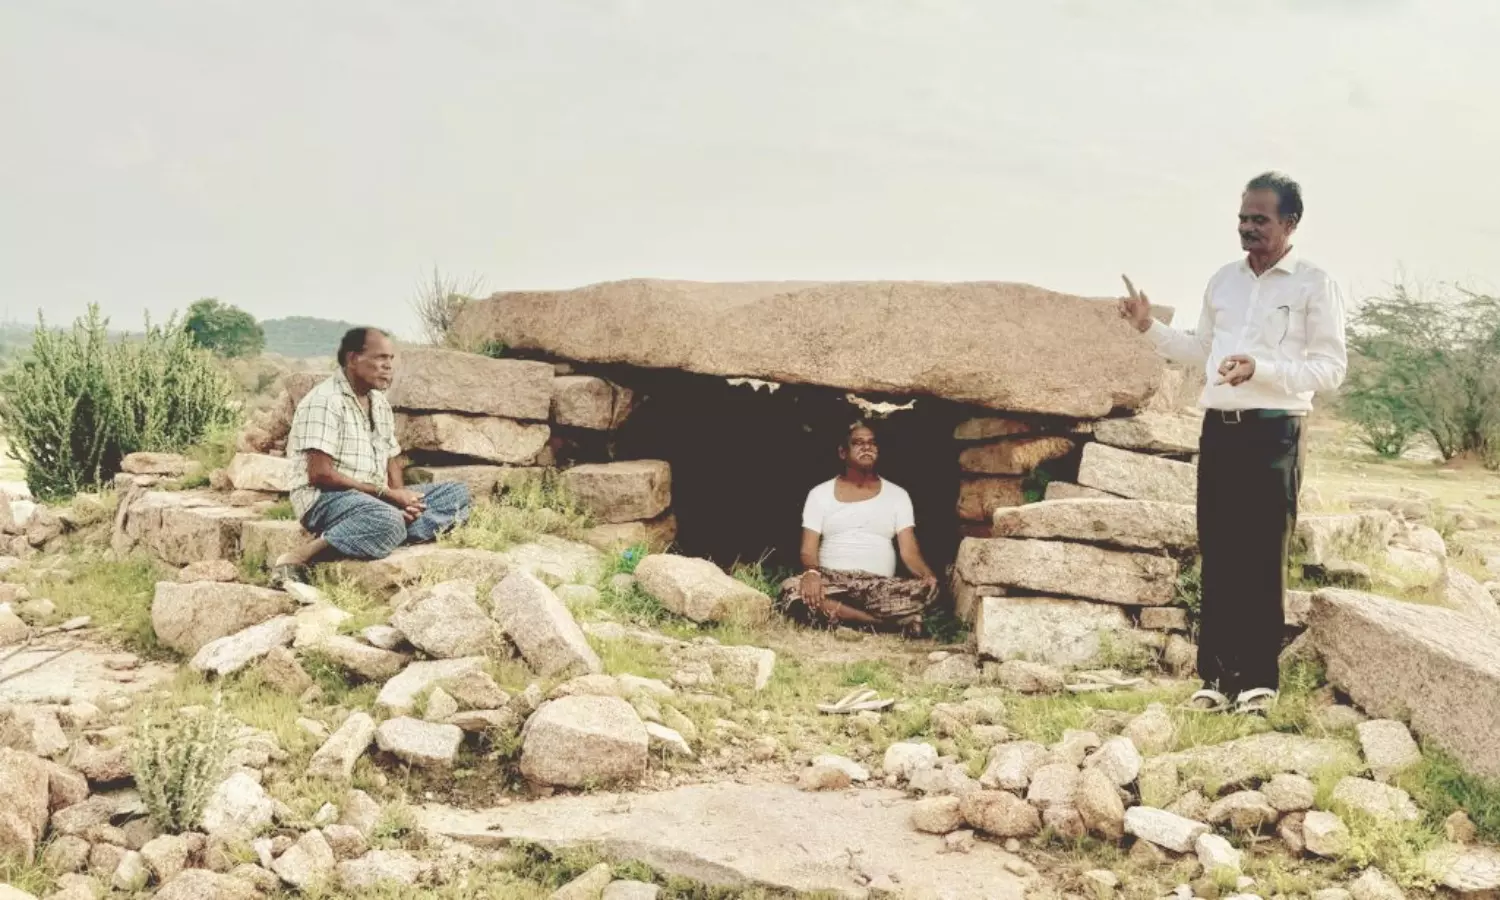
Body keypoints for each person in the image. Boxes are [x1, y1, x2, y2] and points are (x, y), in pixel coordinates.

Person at [1119, 171, 1347, 715]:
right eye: (1243, 218)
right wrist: (1149, 327)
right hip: (1219, 432)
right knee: (1218, 553)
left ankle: (1258, 680)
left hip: (1275, 432)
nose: (1247, 227)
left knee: (1262, 557)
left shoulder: (1314, 284)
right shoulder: (1223, 280)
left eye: (1259, 219)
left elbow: (1330, 368)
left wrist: (1261, 369)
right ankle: (1215, 678)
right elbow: (1200, 350)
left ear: (1290, 223)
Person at [269, 327, 472, 585]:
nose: (388, 366)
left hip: (375, 499)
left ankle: (378, 528)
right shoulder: (324, 401)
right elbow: (319, 474)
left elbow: (391, 458)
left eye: (391, 359)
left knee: (457, 494)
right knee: (387, 521)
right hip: (326, 499)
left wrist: (403, 502)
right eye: (380, 358)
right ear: (353, 359)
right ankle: (302, 555)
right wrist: (388, 497)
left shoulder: (379, 403)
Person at [778, 422, 940, 634]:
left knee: (924, 591)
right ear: (842, 452)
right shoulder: (819, 494)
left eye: (872, 443)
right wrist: (811, 573)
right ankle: (884, 625)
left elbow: (909, 551)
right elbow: (808, 549)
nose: (867, 447)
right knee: (791, 590)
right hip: (833, 582)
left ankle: (847, 617)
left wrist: (927, 576)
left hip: (879, 587)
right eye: (858, 443)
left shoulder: (898, 495)